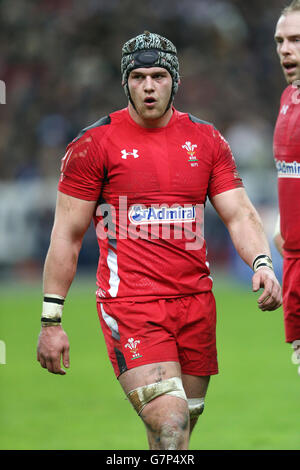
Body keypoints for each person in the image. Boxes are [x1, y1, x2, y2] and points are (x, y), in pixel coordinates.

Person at [37, 31, 282, 450]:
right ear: (125, 82)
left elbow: (239, 213)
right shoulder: (94, 145)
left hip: (196, 304)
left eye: (158, 76)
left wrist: (261, 262)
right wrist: (50, 320)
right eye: (137, 77)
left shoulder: (207, 141)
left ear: (176, 80)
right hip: (132, 304)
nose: (148, 86)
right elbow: (67, 234)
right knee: (170, 423)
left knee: (174, 436)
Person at [273, 0, 300, 372]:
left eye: (296, 39)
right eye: (280, 41)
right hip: (294, 263)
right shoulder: (289, 98)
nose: (285, 49)